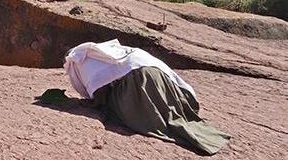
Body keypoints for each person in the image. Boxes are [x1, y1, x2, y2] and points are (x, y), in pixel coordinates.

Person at [64, 40, 231, 155]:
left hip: (140, 83)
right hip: (160, 78)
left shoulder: (81, 60)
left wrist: (94, 104)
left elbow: (98, 89)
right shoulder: (106, 50)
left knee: (120, 110)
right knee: (170, 113)